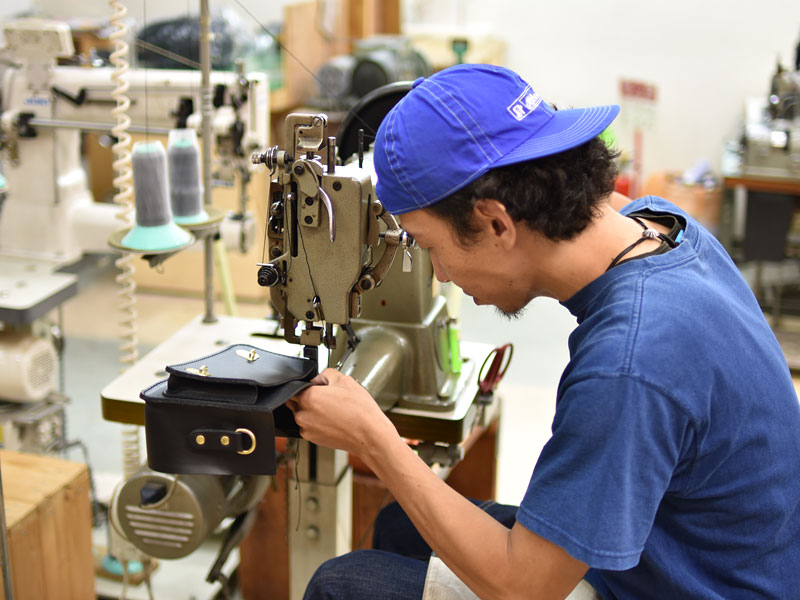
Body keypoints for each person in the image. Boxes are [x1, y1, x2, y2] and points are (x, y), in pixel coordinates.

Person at [286, 64, 800, 599]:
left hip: (699, 587)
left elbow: (524, 589)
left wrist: (375, 438)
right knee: (400, 527)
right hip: (694, 551)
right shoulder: (660, 226)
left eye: (428, 245)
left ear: (496, 224)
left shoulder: (630, 361)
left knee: (340, 586)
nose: (440, 274)